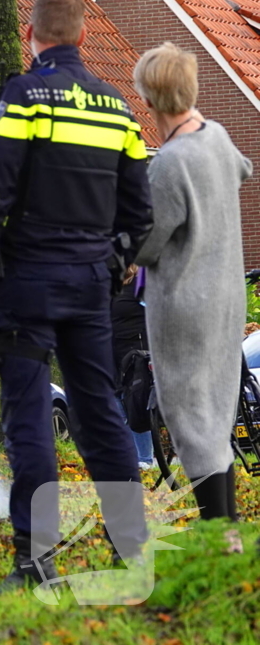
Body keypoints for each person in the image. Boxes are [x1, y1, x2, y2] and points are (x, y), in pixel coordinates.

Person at [0, 0, 153, 589]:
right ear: (83, 37)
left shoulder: (24, 97)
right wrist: (110, 267)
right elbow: (140, 213)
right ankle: (134, 550)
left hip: (28, 283)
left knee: (28, 416)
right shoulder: (117, 109)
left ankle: (35, 561)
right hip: (90, 288)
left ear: (32, 36)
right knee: (100, 414)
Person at [132, 42, 251, 521]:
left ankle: (220, 532)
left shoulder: (169, 163)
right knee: (216, 415)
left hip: (185, 306)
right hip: (227, 298)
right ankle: (228, 530)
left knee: (190, 420)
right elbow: (243, 168)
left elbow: (145, 244)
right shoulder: (216, 137)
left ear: (148, 99)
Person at [111, 264, 155, 468]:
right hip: (111, 354)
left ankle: (144, 458)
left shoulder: (141, 284)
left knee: (134, 404)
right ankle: (128, 457)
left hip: (136, 355)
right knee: (116, 402)